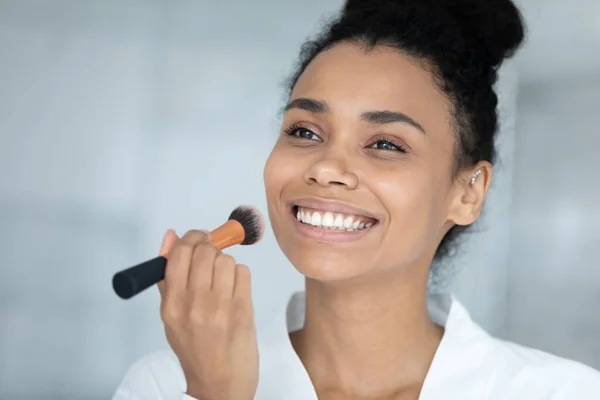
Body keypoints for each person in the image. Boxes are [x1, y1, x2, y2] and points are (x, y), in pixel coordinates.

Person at [112, 0, 600, 399]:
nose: (325, 167)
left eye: (385, 144)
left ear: (467, 192)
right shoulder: (163, 386)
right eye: (304, 131)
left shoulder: (562, 393)